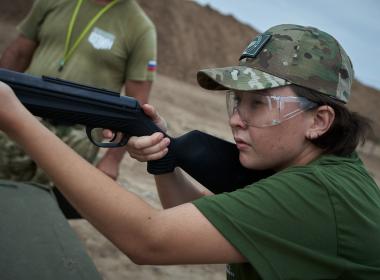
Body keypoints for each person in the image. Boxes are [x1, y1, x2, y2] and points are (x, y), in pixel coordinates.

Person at [0, 24, 379, 279]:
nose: (237, 120)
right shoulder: (328, 173)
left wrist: (20, 123)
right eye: (237, 102)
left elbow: (148, 240)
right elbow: (199, 217)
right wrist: (165, 161)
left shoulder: (318, 195)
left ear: (319, 120)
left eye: (259, 104)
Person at [0, 0, 157, 187]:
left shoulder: (140, 27)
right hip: (20, 117)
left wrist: (112, 160)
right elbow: (19, 53)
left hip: (77, 139)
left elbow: (137, 102)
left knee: (48, 207)